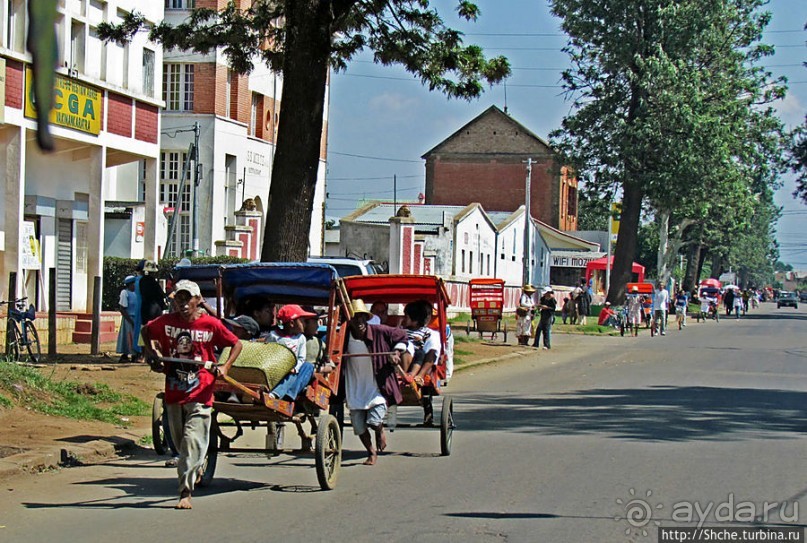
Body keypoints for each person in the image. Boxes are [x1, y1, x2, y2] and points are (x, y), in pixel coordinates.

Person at [142, 280, 242, 510]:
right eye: (179, 298)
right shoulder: (166, 322)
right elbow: (145, 330)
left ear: (198, 300)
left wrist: (225, 366)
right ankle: (193, 466)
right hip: (174, 391)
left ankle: (184, 492)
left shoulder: (210, 324)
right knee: (178, 442)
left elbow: (235, 344)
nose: (183, 303)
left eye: (188, 299)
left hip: (202, 390)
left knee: (190, 440)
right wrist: (153, 352)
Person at [342, 299, 408, 466]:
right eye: (356, 318)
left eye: (363, 318)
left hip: (377, 386)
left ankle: (380, 431)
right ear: (349, 320)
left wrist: (396, 351)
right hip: (355, 386)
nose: (360, 322)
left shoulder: (379, 331)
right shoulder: (343, 336)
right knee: (358, 426)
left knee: (374, 421)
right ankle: (371, 451)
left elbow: (402, 336)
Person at [265, 305, 317, 401]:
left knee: (308, 366)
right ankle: (275, 392)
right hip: (277, 368)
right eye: (302, 321)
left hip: (293, 370)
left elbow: (301, 358)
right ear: (292, 323)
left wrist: (295, 368)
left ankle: (286, 395)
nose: (305, 325)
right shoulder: (274, 336)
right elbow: (268, 353)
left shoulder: (301, 338)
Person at [134, 259, 167, 360]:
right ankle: (152, 353)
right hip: (154, 308)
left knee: (144, 330)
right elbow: (160, 294)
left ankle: (143, 355)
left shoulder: (141, 281)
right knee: (153, 331)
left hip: (145, 308)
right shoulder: (152, 282)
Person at [116, 275, 138, 362]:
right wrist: (130, 320)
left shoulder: (137, 293)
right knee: (128, 336)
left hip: (136, 318)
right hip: (129, 318)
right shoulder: (124, 293)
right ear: (130, 285)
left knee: (135, 337)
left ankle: (135, 354)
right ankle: (125, 354)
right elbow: (122, 308)